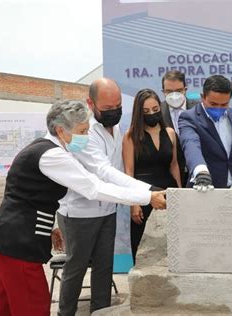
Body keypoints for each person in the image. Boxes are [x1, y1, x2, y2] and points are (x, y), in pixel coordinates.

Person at [0, 101, 165, 316]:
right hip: (18, 245)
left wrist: (50, 227)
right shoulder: (52, 155)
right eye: (82, 131)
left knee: (1, 306)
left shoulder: (44, 149)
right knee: (33, 307)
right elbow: (93, 187)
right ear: (61, 129)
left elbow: (30, 196)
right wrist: (148, 197)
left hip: (3, 242)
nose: (86, 137)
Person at [56, 79, 163, 315]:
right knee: (76, 268)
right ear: (91, 103)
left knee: (105, 267)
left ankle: (101, 311)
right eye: (108, 108)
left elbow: (120, 168)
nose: (114, 112)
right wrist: (146, 192)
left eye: (118, 106)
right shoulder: (83, 132)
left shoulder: (116, 128)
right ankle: (66, 313)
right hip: (80, 213)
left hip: (107, 210)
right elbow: (104, 171)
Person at [123, 89, 181, 264]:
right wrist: (134, 204)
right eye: (146, 111)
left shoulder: (170, 133)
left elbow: (174, 165)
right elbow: (129, 171)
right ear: (139, 113)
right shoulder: (130, 136)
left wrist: (179, 194)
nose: (152, 114)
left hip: (168, 193)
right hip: (143, 195)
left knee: (171, 244)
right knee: (142, 246)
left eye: (155, 109)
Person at [178, 75, 232, 189]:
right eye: (213, 104)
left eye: (224, 104)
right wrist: (201, 171)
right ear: (202, 97)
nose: (218, 108)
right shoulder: (189, 118)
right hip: (205, 188)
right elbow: (191, 145)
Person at [160, 70, 199, 185]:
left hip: (196, 173)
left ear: (185, 90)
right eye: (169, 91)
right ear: (163, 92)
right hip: (168, 175)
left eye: (178, 91)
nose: (174, 95)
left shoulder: (198, 109)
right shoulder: (157, 112)